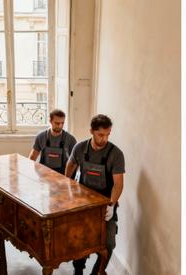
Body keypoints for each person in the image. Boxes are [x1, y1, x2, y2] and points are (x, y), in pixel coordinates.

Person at [65, 115, 125, 275]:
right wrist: (67, 190)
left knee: (109, 243)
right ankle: (78, 270)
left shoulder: (116, 154)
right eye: (101, 135)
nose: (105, 138)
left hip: (105, 205)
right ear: (92, 131)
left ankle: (97, 272)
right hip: (83, 203)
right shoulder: (79, 148)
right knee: (79, 240)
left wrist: (111, 205)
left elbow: (118, 183)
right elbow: (69, 168)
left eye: (108, 134)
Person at [29, 109, 77, 174]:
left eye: (62, 123)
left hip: (62, 175)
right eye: (57, 123)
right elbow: (33, 156)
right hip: (44, 174)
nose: (60, 126)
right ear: (50, 121)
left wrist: (69, 179)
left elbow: (74, 163)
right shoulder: (41, 137)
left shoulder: (70, 139)